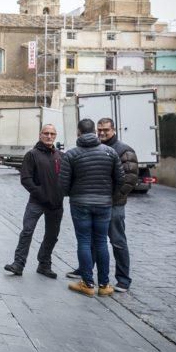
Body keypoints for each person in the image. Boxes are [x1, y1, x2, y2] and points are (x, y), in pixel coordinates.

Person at [59, 118, 124, 297]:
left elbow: (63, 186)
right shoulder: (110, 152)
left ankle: (87, 284)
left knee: (84, 242)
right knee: (102, 242)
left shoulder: (71, 155)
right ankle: (104, 285)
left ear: (78, 132)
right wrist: (109, 196)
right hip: (104, 204)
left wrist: (74, 192)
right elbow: (121, 179)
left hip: (80, 203)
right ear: (95, 132)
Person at [4, 124, 63, 279]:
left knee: (52, 235)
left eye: (52, 134)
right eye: (46, 133)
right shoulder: (32, 155)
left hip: (56, 204)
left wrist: (61, 193)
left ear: (55, 136)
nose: (49, 136)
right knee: (27, 231)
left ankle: (44, 264)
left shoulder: (60, 156)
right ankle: (18, 264)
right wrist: (41, 194)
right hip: (36, 202)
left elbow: (66, 178)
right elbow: (26, 179)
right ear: (40, 135)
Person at [96, 117, 138, 292]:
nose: (102, 133)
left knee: (118, 241)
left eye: (106, 130)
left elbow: (129, 181)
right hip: (98, 202)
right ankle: (84, 271)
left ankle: (123, 279)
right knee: (93, 240)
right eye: (99, 130)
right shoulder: (97, 148)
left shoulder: (124, 150)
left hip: (114, 205)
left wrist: (111, 199)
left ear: (113, 130)